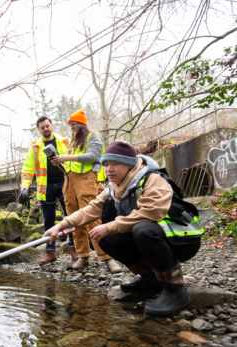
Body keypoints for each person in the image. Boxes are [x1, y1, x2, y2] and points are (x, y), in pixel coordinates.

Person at [44, 141, 204, 318]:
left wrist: (110, 226)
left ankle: (176, 290)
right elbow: (88, 211)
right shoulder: (112, 189)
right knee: (103, 237)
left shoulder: (152, 178)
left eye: (115, 164)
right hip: (156, 237)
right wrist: (59, 226)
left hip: (182, 240)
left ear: (130, 164)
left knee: (142, 229)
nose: (109, 169)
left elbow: (152, 213)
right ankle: (150, 278)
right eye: (105, 164)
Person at [50, 109, 121, 273]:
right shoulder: (73, 142)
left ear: (81, 124)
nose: (72, 128)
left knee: (92, 218)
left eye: (74, 125)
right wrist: (59, 162)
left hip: (85, 180)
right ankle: (83, 255)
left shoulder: (93, 136)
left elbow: (93, 156)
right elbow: (71, 162)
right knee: (73, 220)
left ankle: (107, 257)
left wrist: (65, 157)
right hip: (69, 181)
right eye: (71, 126)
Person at [21, 116, 76, 265]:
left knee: (70, 217)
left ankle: (74, 250)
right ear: (38, 130)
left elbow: (75, 157)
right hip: (45, 188)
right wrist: (24, 187)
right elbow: (27, 169)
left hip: (65, 183)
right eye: (42, 127)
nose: (46, 129)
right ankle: (50, 253)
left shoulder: (65, 141)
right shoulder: (35, 147)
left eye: (47, 126)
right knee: (48, 221)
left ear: (51, 125)